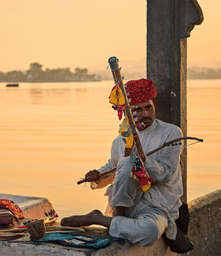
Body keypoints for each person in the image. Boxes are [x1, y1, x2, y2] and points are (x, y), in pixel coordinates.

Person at [61, 79, 185, 247]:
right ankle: (119, 217)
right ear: (128, 113)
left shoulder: (170, 133)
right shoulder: (120, 140)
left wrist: (144, 160)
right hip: (129, 206)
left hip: (157, 207)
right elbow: (114, 169)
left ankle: (97, 219)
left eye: (148, 107)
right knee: (126, 163)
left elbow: (165, 175)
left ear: (154, 105)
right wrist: (97, 174)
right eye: (138, 110)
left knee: (150, 231)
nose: (145, 114)